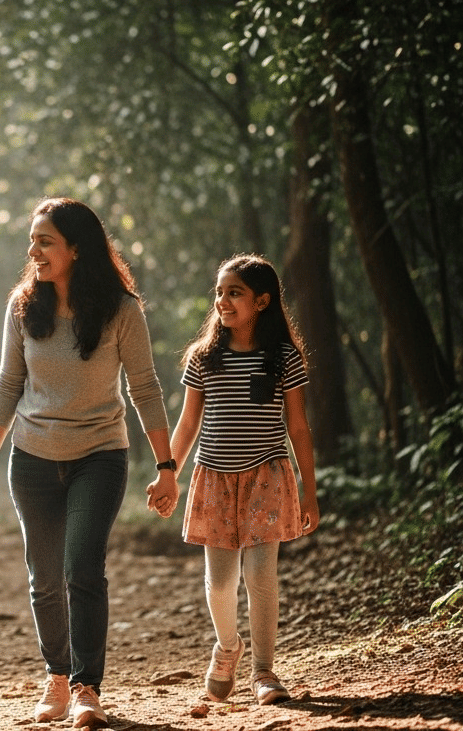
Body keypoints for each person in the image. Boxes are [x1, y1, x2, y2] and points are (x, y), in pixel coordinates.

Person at [0, 197, 173, 729]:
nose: (33, 251)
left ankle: (87, 687)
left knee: (81, 568)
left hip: (99, 455)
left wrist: (167, 466)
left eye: (45, 241)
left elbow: (145, 387)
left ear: (76, 249)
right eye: (32, 241)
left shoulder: (122, 310)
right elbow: (8, 385)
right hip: (32, 458)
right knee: (43, 577)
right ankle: (56, 677)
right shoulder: (22, 306)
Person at [145, 253, 319, 706]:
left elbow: (298, 427)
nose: (222, 300)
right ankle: (227, 647)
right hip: (214, 480)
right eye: (219, 292)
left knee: (261, 575)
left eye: (234, 292)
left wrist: (310, 491)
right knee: (221, 583)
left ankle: (263, 671)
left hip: (268, 475)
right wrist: (168, 474)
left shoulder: (283, 358)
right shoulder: (204, 359)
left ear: (262, 301)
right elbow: (188, 424)